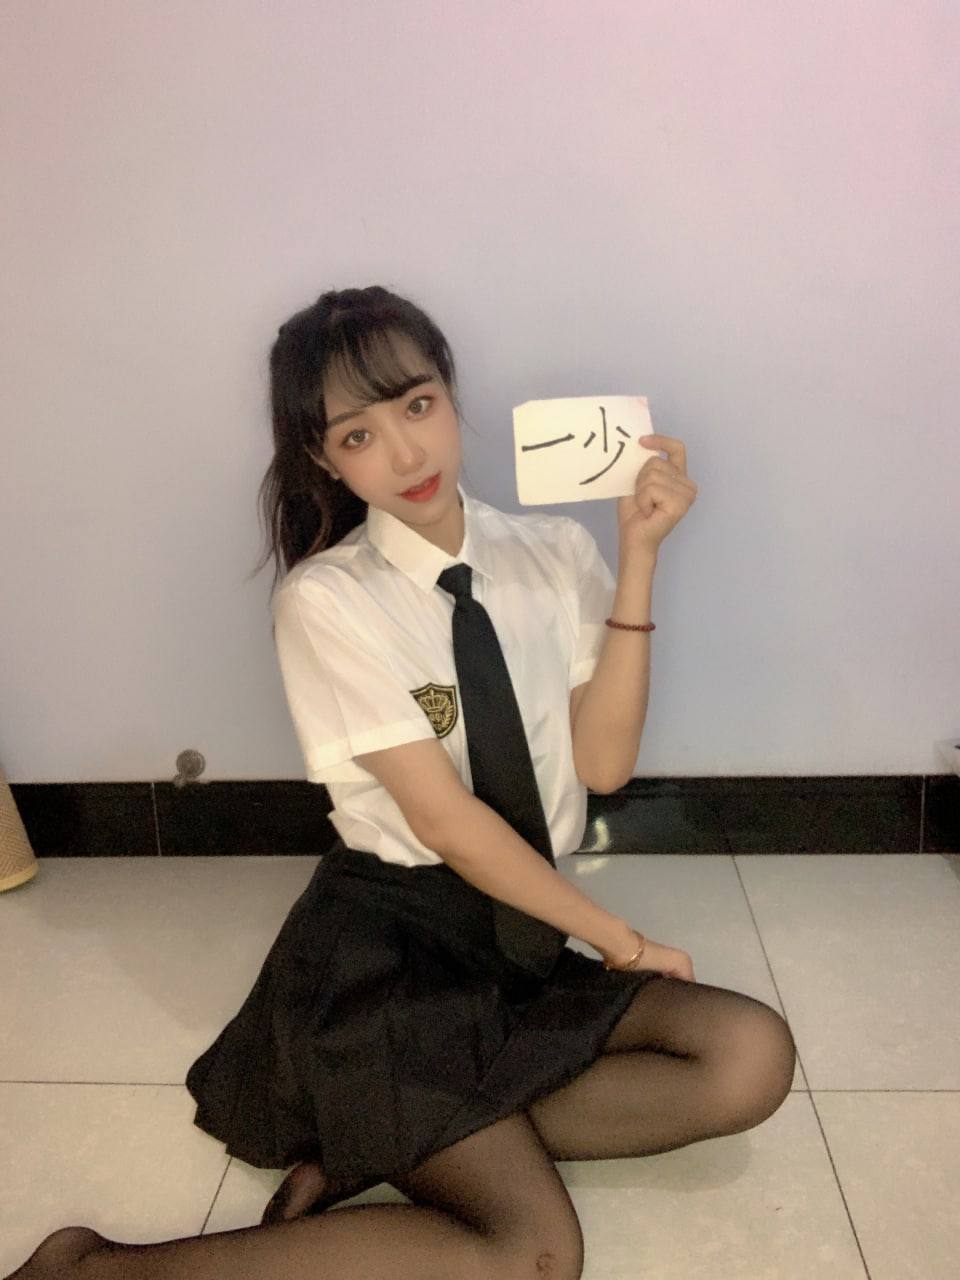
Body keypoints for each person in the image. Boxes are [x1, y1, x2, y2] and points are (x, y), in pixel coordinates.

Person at [9, 286, 796, 1280]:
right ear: (324, 459)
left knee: (750, 1055)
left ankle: (373, 1138)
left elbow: (602, 765)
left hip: (516, 937)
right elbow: (448, 822)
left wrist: (637, 558)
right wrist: (620, 940)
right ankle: (93, 1267)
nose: (406, 452)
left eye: (417, 406)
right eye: (359, 434)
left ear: (451, 396)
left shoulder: (553, 553)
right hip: (389, 953)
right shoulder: (328, 601)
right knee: (535, 1254)